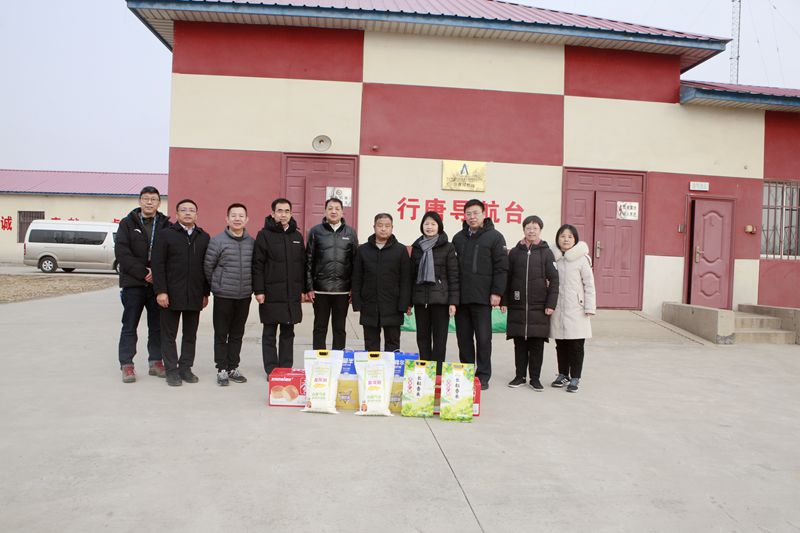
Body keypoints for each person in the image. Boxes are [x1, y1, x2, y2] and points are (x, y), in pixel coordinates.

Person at [151, 199, 211, 387]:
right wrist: (161, 291)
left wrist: (205, 293)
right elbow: (158, 265)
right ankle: (171, 370)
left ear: (197, 214)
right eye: (183, 210)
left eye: (191, 210)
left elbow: (206, 267)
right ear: (176, 214)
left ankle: (185, 368)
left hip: (194, 293)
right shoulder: (165, 235)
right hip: (170, 294)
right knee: (169, 334)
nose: (187, 213)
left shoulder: (203, 237)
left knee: (190, 334)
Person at [114, 186, 171, 383]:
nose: (149, 202)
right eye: (145, 198)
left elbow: (171, 253)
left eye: (153, 199)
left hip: (157, 284)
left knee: (157, 326)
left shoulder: (165, 224)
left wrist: (157, 274)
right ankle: (127, 365)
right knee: (130, 325)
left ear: (159, 203)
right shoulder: (127, 223)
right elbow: (122, 253)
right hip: (133, 283)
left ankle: (155, 361)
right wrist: (143, 272)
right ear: (139, 201)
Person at [452, 199, 508, 390]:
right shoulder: (458, 238)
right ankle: (467, 371)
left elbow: (502, 268)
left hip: (483, 297)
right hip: (462, 298)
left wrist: (497, 292)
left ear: (484, 214)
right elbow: (453, 269)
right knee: (464, 338)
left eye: (475, 213)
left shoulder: (495, 237)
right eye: (468, 213)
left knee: (483, 338)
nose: (472, 217)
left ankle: (483, 375)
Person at [501, 216, 559, 391]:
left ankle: (535, 378)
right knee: (519, 343)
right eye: (528, 228)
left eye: (535, 228)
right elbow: (507, 278)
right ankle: (520, 376)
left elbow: (554, 280)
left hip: (539, 307)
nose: (531, 231)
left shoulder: (546, 252)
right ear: (523, 230)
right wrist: (504, 301)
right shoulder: (515, 252)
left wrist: (551, 304)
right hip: (518, 305)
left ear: (540, 230)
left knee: (536, 345)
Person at [252, 198, 305, 379]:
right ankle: (272, 369)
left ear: (291, 213)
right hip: (270, 293)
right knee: (269, 332)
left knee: (288, 332)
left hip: (291, 293)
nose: (283, 214)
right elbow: (257, 265)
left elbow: (302, 265)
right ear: (273, 213)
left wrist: (304, 289)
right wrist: (259, 290)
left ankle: (285, 367)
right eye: (280, 211)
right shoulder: (264, 235)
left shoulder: (297, 236)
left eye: (287, 211)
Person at [204, 203, 254, 387]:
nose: (237, 218)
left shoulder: (251, 242)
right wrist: (217, 285)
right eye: (234, 215)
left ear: (246, 219)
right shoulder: (217, 241)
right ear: (227, 219)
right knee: (221, 333)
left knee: (237, 333)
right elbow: (208, 267)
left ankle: (233, 367)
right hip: (224, 295)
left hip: (244, 296)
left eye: (241, 215)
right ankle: (222, 369)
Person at [351, 213, 411, 351]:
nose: (383, 229)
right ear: (374, 227)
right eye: (380, 225)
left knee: (392, 344)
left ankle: (390, 372)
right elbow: (357, 278)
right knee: (371, 344)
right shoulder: (363, 250)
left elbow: (406, 280)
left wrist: (405, 304)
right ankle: (373, 371)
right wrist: (357, 302)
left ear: (392, 228)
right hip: (369, 304)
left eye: (387, 226)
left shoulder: (400, 250)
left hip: (393, 305)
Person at [305, 197, 358, 350]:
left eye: (337, 208)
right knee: (320, 328)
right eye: (330, 208)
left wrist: (353, 288)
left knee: (339, 328)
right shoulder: (316, 232)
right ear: (325, 211)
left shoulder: (350, 233)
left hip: (342, 290)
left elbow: (355, 262)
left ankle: (337, 361)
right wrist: (309, 287)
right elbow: (308, 260)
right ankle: (318, 362)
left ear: (342, 212)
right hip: (320, 290)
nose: (333, 211)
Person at [410, 211, 459, 374]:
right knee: (422, 338)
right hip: (420, 299)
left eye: (432, 224)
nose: (429, 227)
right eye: (426, 224)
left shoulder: (448, 246)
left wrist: (453, 302)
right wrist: (409, 302)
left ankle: (437, 372)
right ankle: (424, 372)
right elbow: (411, 275)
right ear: (421, 226)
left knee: (439, 339)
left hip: (441, 300)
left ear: (439, 226)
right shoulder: (417, 246)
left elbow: (453, 275)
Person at [549, 224, 596, 393]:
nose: (566, 239)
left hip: (577, 308)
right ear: (557, 239)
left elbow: (589, 285)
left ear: (575, 240)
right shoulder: (553, 258)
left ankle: (575, 377)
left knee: (576, 344)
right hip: (558, 307)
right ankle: (563, 374)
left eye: (570, 236)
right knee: (560, 343)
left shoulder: (582, 259)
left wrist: (589, 307)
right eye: (562, 236)